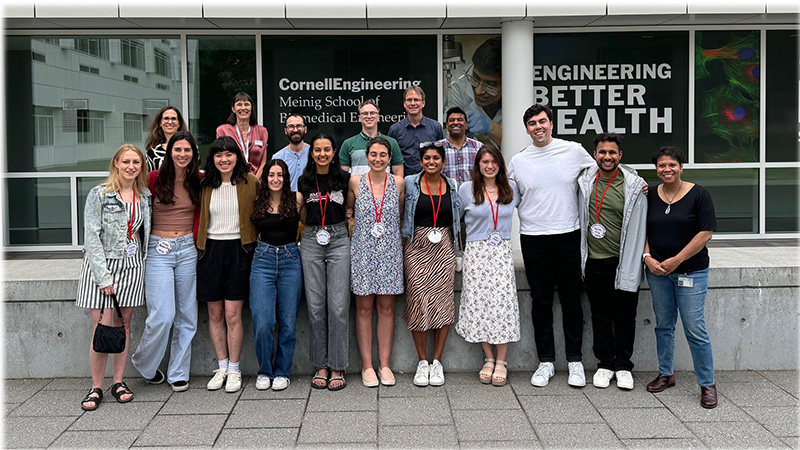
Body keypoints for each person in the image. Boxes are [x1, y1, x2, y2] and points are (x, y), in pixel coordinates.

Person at [507, 104, 595, 388]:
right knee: (541, 301)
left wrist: (636, 183)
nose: (538, 127)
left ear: (551, 124)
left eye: (542, 121)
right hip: (534, 239)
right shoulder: (518, 161)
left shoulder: (574, 151)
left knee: (572, 300)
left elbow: (604, 174)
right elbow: (507, 198)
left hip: (569, 234)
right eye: (532, 123)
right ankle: (545, 361)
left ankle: (575, 362)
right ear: (527, 129)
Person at [76, 143, 151, 411]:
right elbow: (91, 238)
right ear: (116, 163)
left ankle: (118, 382)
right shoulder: (100, 194)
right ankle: (96, 386)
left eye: (137, 162)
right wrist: (104, 277)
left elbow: (141, 234)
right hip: (102, 267)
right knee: (101, 326)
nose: (131, 166)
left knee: (124, 324)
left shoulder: (145, 196)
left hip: (131, 266)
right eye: (126, 161)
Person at [643, 145, 718, 409]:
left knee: (695, 329)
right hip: (659, 273)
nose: (667, 170)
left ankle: (707, 384)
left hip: (691, 271)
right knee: (664, 325)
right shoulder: (650, 194)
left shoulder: (699, 195)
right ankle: (666, 374)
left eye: (672, 165)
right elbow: (642, 229)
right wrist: (647, 257)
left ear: (681, 167)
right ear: (656, 169)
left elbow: (705, 233)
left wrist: (677, 260)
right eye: (662, 166)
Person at [131, 130, 202, 393]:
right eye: (177, 149)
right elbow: (132, 203)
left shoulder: (200, 180)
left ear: (194, 153)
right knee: (162, 314)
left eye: (187, 150)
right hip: (157, 250)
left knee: (187, 315)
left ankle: (178, 372)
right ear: (169, 151)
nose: (182, 154)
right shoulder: (152, 179)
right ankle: (145, 364)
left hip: (187, 249)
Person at [577, 133, 647, 390]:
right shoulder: (583, 182)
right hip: (595, 261)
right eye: (602, 152)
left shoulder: (634, 185)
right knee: (600, 315)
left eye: (612, 152)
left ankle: (623, 365)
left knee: (626, 316)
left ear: (620, 155)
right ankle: (605, 364)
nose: (607, 157)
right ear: (594, 154)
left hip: (624, 260)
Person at [196, 136, 259, 393]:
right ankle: (221, 366)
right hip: (210, 250)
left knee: (233, 314)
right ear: (212, 158)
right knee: (215, 314)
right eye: (219, 155)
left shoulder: (250, 182)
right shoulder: (204, 185)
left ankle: (234, 368)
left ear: (237, 157)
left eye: (229, 154)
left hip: (240, 249)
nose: (224, 159)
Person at [455, 145, 520, 386]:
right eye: (485, 162)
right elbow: (457, 220)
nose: (489, 166)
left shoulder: (512, 188)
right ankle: (489, 357)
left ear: (500, 164)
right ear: (478, 165)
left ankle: (502, 360)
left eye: (494, 161)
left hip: (501, 251)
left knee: (502, 304)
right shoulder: (466, 189)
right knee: (479, 302)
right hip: (477, 251)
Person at [346, 136, 406, 387]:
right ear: (366, 156)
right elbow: (349, 211)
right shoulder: (355, 181)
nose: (378, 159)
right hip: (363, 252)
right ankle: (367, 366)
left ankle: (384, 364)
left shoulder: (399, 183)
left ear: (390, 157)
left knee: (386, 308)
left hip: (389, 252)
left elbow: (401, 216)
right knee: (363, 309)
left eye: (383, 155)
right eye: (374, 154)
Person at [401, 141, 461, 387]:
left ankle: (437, 362)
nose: (431, 162)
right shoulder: (410, 183)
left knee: (443, 301)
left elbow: (458, 218)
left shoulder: (453, 185)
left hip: (444, 245)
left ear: (443, 162)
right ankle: (422, 362)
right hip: (416, 245)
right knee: (418, 299)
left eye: (436, 158)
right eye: (427, 158)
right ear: (421, 161)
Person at [298, 133, 351, 391]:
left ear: (334, 152)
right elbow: (303, 213)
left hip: (339, 238)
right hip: (311, 241)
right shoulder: (304, 180)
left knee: (339, 307)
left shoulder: (343, 179)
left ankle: (338, 365)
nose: (322, 154)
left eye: (327, 149)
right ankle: (320, 364)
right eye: (317, 150)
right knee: (316, 306)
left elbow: (349, 210)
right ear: (312, 153)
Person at [249, 159, 306, 392]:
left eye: (280, 175)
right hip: (262, 259)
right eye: (271, 175)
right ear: (265, 178)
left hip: (291, 259)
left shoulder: (297, 199)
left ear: (286, 177)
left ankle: (282, 370)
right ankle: (265, 369)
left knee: (287, 321)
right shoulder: (256, 202)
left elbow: (310, 224)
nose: (275, 179)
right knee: (263, 321)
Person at [446, 37, 502, 146]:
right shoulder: (458, 83)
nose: (478, 91)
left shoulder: (522, 91)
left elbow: (523, 143)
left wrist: (491, 128)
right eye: (475, 78)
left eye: (490, 85)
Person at [387, 86, 444, 176]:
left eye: (416, 100)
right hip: (404, 181)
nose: (413, 103)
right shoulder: (395, 130)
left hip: (430, 180)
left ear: (423, 103)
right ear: (404, 104)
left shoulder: (435, 127)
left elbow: (441, 155)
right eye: (409, 100)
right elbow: (391, 159)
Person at [340, 100, 404, 178]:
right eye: (365, 114)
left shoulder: (392, 143)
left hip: (385, 188)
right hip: (357, 189)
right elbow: (343, 175)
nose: (369, 116)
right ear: (359, 118)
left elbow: (398, 173)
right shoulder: (348, 144)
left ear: (378, 117)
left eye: (373, 113)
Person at [216, 92, 269, 178]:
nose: (243, 108)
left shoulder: (262, 131)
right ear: (233, 109)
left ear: (251, 108)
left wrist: (254, 181)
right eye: (239, 104)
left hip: (256, 181)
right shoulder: (223, 130)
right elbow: (222, 158)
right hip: (232, 179)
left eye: (246, 104)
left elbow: (263, 162)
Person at [439, 106, 483, 186]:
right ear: (447, 126)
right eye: (452, 120)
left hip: (472, 196)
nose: (456, 123)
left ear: (466, 125)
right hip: (446, 196)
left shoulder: (478, 147)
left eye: (460, 120)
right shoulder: (438, 148)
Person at [272, 113, 310, 191]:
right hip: (288, 201)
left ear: (305, 129)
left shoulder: (314, 154)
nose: (295, 130)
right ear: (286, 131)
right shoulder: (278, 157)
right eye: (291, 127)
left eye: (299, 126)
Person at [145, 106, 187, 171]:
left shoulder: (190, 148)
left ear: (179, 124)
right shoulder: (152, 151)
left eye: (173, 119)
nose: (170, 122)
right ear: (160, 123)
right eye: (166, 118)